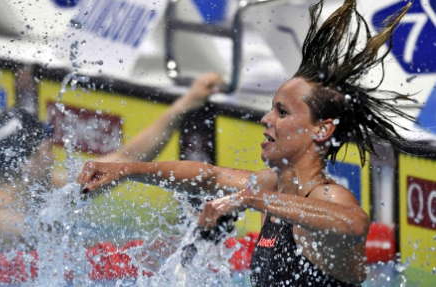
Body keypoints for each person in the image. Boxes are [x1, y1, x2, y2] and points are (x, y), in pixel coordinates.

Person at [76, 0, 416, 286]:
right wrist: (124, 170)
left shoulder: (327, 195)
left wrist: (255, 199)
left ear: (321, 130)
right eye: (270, 108)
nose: (265, 119)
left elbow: (354, 223)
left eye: (282, 112)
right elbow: (207, 175)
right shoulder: (275, 185)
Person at [0, 72, 223, 250]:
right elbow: (65, 249)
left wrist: (186, 102)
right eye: (46, 150)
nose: (54, 155)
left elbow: (125, 159)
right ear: (25, 163)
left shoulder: (42, 188)